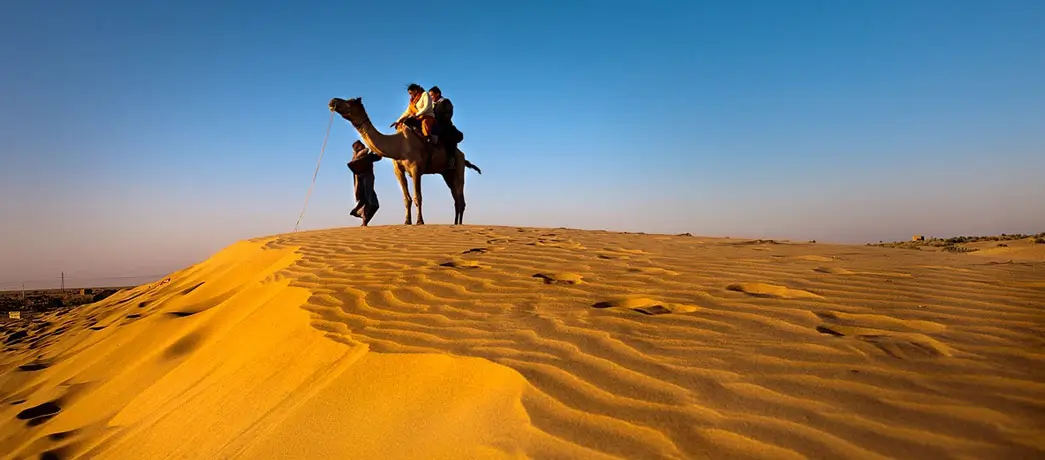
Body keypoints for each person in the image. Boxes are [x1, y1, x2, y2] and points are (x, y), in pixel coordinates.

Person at [347, 140, 381, 226]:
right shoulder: (363, 156)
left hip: (364, 185)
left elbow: (378, 156)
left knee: (372, 203)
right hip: (366, 184)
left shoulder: (359, 158)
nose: (363, 145)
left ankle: (361, 217)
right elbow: (377, 156)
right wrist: (374, 147)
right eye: (361, 145)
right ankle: (363, 220)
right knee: (370, 202)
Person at [429, 86, 461, 170]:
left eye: (432, 95)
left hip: (445, 125)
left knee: (448, 139)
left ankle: (451, 159)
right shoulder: (432, 105)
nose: (431, 97)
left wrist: (439, 121)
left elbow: (449, 114)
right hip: (434, 125)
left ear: (438, 94)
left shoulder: (445, 102)